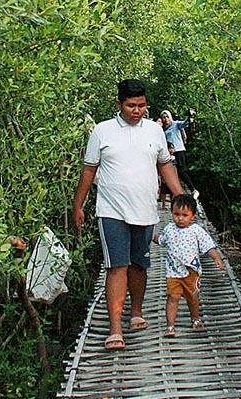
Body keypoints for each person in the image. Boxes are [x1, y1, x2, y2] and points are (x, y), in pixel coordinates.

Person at [72, 79, 184, 351]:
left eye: (142, 105)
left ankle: (136, 311)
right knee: (116, 265)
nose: (137, 110)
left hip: (144, 210)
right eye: (131, 105)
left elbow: (165, 165)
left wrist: (180, 197)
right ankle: (115, 328)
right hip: (111, 211)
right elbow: (89, 169)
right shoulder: (102, 131)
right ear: (119, 104)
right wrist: (78, 205)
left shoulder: (155, 131)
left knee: (139, 264)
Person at [154, 194, 225, 337]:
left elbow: (208, 246)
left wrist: (217, 258)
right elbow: (162, 240)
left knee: (193, 297)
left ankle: (195, 319)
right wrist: (150, 235)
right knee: (173, 297)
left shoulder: (196, 230)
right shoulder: (169, 228)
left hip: (192, 272)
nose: (180, 218)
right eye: (176, 214)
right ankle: (170, 326)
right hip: (173, 272)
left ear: (192, 216)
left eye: (184, 215)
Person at [160, 109, 195, 191]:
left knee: (181, 171)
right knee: (173, 173)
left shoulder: (175, 124)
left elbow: (184, 123)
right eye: (164, 117)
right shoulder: (163, 129)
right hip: (171, 153)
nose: (166, 119)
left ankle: (192, 189)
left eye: (167, 117)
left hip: (179, 150)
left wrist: (189, 116)